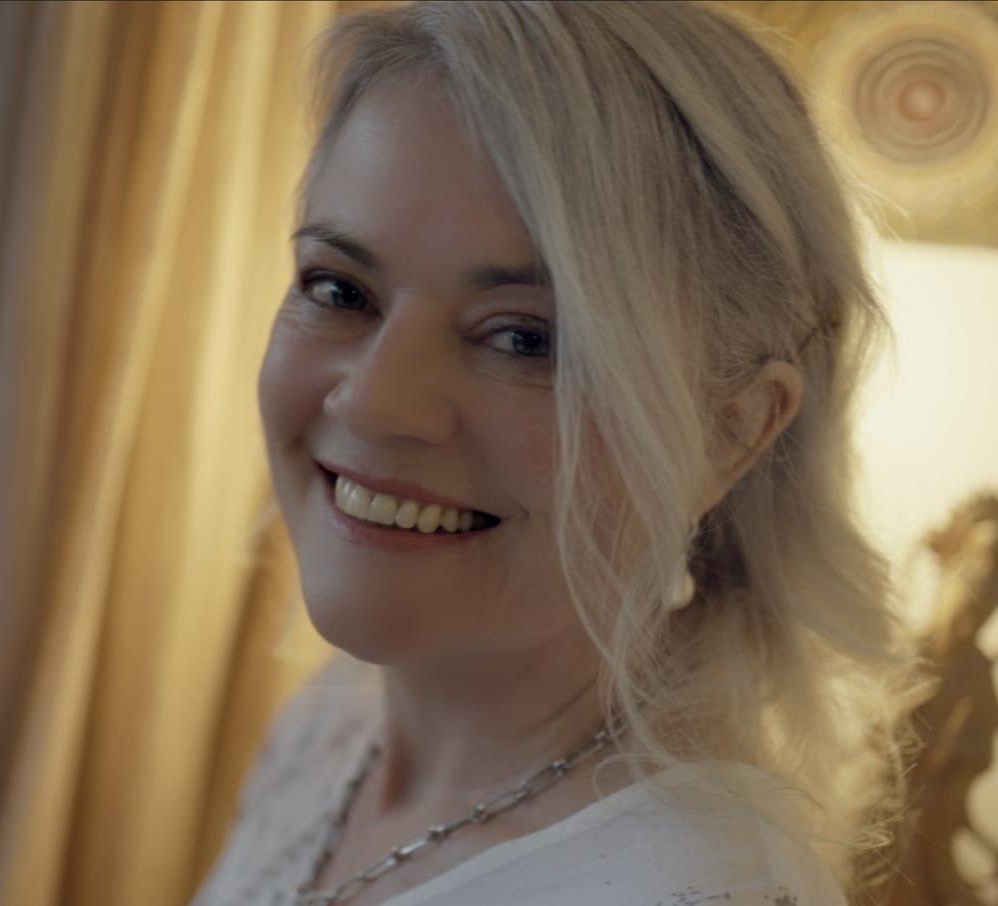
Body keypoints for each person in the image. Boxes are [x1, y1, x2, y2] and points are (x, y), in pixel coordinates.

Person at [192, 2, 916, 904]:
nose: (373, 403)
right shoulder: (335, 723)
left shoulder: (700, 889)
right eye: (340, 288)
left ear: (729, 434)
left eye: (525, 339)